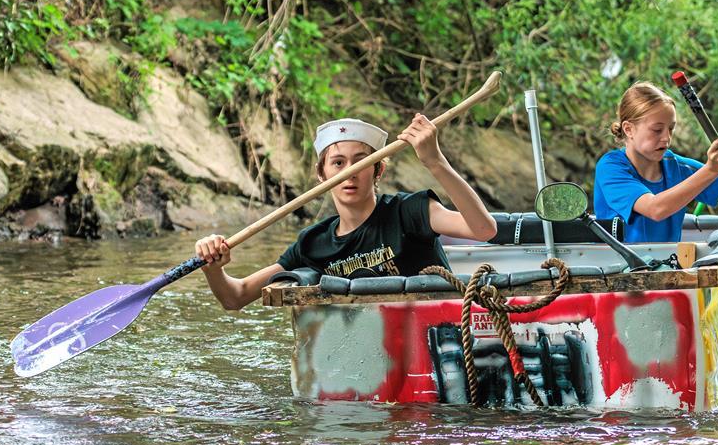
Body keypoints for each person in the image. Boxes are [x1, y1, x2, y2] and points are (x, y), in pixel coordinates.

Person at [194, 115, 498, 310]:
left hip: (437, 334)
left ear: (378, 170)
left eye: (360, 162)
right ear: (322, 174)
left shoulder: (410, 211)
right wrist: (213, 268)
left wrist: (435, 162)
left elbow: (483, 230)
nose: (349, 173)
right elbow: (235, 296)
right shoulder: (313, 243)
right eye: (338, 163)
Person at [593, 82, 718, 268]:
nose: (667, 138)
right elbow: (655, 209)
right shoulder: (611, 167)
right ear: (629, 129)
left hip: (666, 268)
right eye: (657, 130)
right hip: (619, 270)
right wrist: (710, 170)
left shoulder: (677, 166)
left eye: (671, 129)